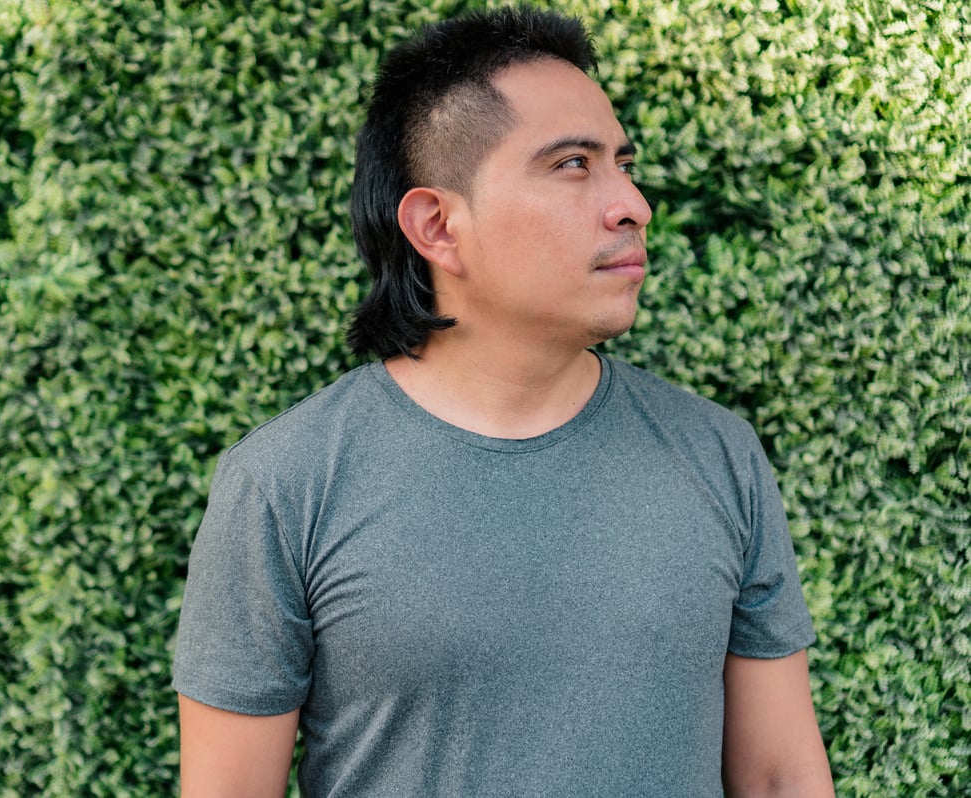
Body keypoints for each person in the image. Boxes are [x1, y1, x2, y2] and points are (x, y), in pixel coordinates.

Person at [173, 5, 834, 796]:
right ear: (438, 226)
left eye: (623, 164)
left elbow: (778, 776)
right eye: (572, 165)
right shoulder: (284, 485)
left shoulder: (718, 455)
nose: (632, 204)